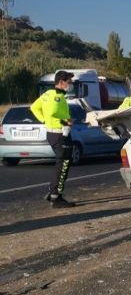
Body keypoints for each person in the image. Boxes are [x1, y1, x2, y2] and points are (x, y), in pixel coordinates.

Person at [30, 70, 77, 208]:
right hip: (59, 133)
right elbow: (52, 112)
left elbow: (34, 107)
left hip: (56, 133)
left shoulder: (48, 94)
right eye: (69, 82)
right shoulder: (56, 96)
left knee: (62, 163)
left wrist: (44, 120)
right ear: (61, 82)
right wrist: (65, 121)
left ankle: (54, 193)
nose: (71, 84)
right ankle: (56, 197)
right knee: (63, 164)